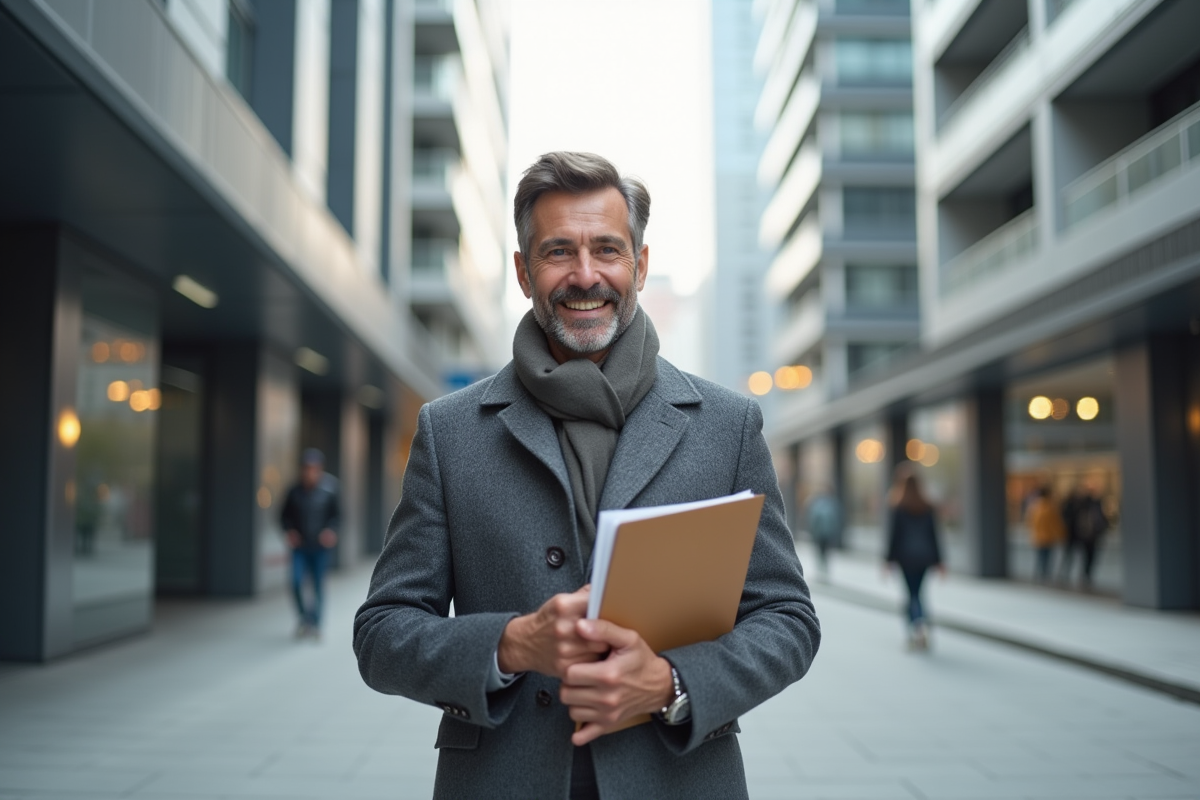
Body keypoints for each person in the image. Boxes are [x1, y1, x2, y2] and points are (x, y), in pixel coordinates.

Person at [354, 152, 821, 799]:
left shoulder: (727, 424)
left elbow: (789, 618)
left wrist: (670, 682)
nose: (584, 275)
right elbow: (382, 634)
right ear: (523, 271)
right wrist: (511, 645)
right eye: (557, 252)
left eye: (606, 249)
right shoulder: (450, 431)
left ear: (640, 264)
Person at [280, 448, 340, 639]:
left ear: (320, 469)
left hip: (320, 547)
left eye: (313, 468)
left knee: (317, 586)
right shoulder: (294, 490)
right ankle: (304, 618)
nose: (309, 472)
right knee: (296, 582)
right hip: (300, 547)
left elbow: (338, 516)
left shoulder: (330, 488)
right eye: (306, 468)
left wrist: (331, 531)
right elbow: (283, 516)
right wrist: (289, 531)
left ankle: (316, 623)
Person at [885, 467, 943, 651]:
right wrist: (939, 560)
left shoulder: (898, 506)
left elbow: (894, 536)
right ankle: (921, 626)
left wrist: (888, 559)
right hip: (924, 557)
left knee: (911, 595)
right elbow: (934, 535)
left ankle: (915, 629)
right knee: (919, 593)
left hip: (905, 558)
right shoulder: (927, 506)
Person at [1025, 485, 1065, 582]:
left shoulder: (1034, 506)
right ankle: (1045, 576)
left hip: (1037, 536)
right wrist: (1061, 534)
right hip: (1048, 537)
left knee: (1040, 557)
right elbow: (1056, 523)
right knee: (1047, 558)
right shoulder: (1050, 507)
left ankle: (1039, 575)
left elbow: (1029, 522)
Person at [1074, 486, 1110, 590]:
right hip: (1089, 536)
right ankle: (1087, 574)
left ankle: (1086, 574)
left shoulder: (1084, 507)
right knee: (1089, 557)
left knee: (1087, 557)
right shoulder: (1091, 507)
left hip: (1088, 536)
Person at [806, 485, 841, 580]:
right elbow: (837, 520)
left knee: (822, 552)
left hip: (822, 533)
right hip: (825, 533)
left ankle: (822, 569)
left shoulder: (821, 504)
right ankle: (823, 569)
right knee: (823, 552)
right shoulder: (831, 504)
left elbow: (813, 519)